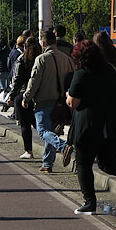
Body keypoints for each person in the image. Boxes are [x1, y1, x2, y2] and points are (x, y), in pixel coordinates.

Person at [66, 40, 116, 214]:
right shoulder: (110, 69)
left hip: (89, 127)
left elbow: (74, 102)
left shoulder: (80, 74)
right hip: (113, 126)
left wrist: (67, 95)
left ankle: (89, 202)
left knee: (83, 163)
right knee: (106, 161)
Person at [22, 30, 74, 173]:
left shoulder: (41, 59)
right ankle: (47, 163)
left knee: (43, 131)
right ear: (55, 42)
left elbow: (34, 81)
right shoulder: (67, 59)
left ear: (43, 43)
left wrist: (26, 97)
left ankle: (63, 146)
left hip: (44, 101)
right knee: (51, 133)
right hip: (61, 102)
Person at [9, 36, 42, 159]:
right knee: (39, 123)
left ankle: (28, 150)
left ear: (24, 47)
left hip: (24, 95)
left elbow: (17, 80)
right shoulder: (41, 59)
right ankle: (51, 143)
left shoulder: (21, 60)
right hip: (40, 94)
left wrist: (11, 96)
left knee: (25, 125)